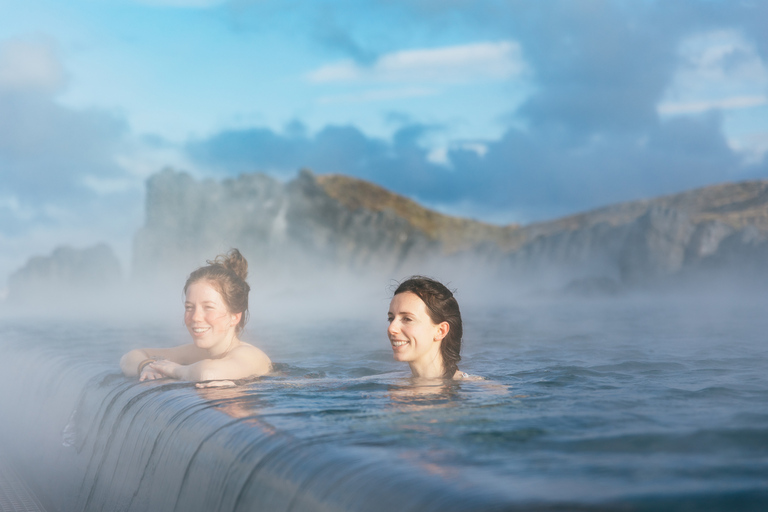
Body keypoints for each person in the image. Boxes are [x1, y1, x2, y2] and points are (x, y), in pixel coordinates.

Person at [120, 249, 271, 384]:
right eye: (189, 307)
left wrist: (175, 370)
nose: (196, 317)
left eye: (208, 307)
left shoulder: (250, 355)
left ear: (234, 317)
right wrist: (146, 366)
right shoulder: (196, 353)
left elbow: (208, 373)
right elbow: (130, 357)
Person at [387, 275, 473, 380]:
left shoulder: (482, 390)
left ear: (440, 331)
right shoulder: (384, 385)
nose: (391, 328)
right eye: (391, 318)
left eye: (407, 319)